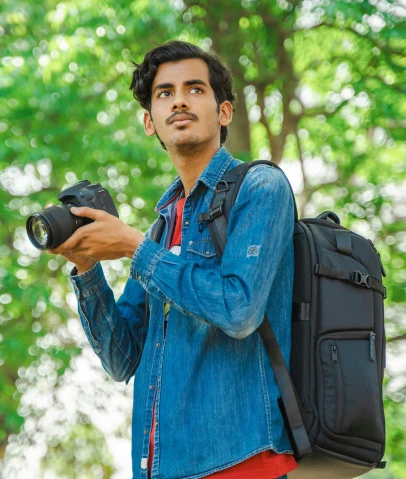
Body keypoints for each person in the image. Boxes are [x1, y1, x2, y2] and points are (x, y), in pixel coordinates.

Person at [50, 41, 297, 479]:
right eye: (164, 93)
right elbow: (122, 359)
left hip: (243, 462)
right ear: (150, 122)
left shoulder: (260, 187)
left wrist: (132, 247)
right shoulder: (160, 229)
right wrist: (86, 268)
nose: (179, 99)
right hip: (159, 469)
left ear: (224, 112)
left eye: (195, 89)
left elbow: (238, 310)